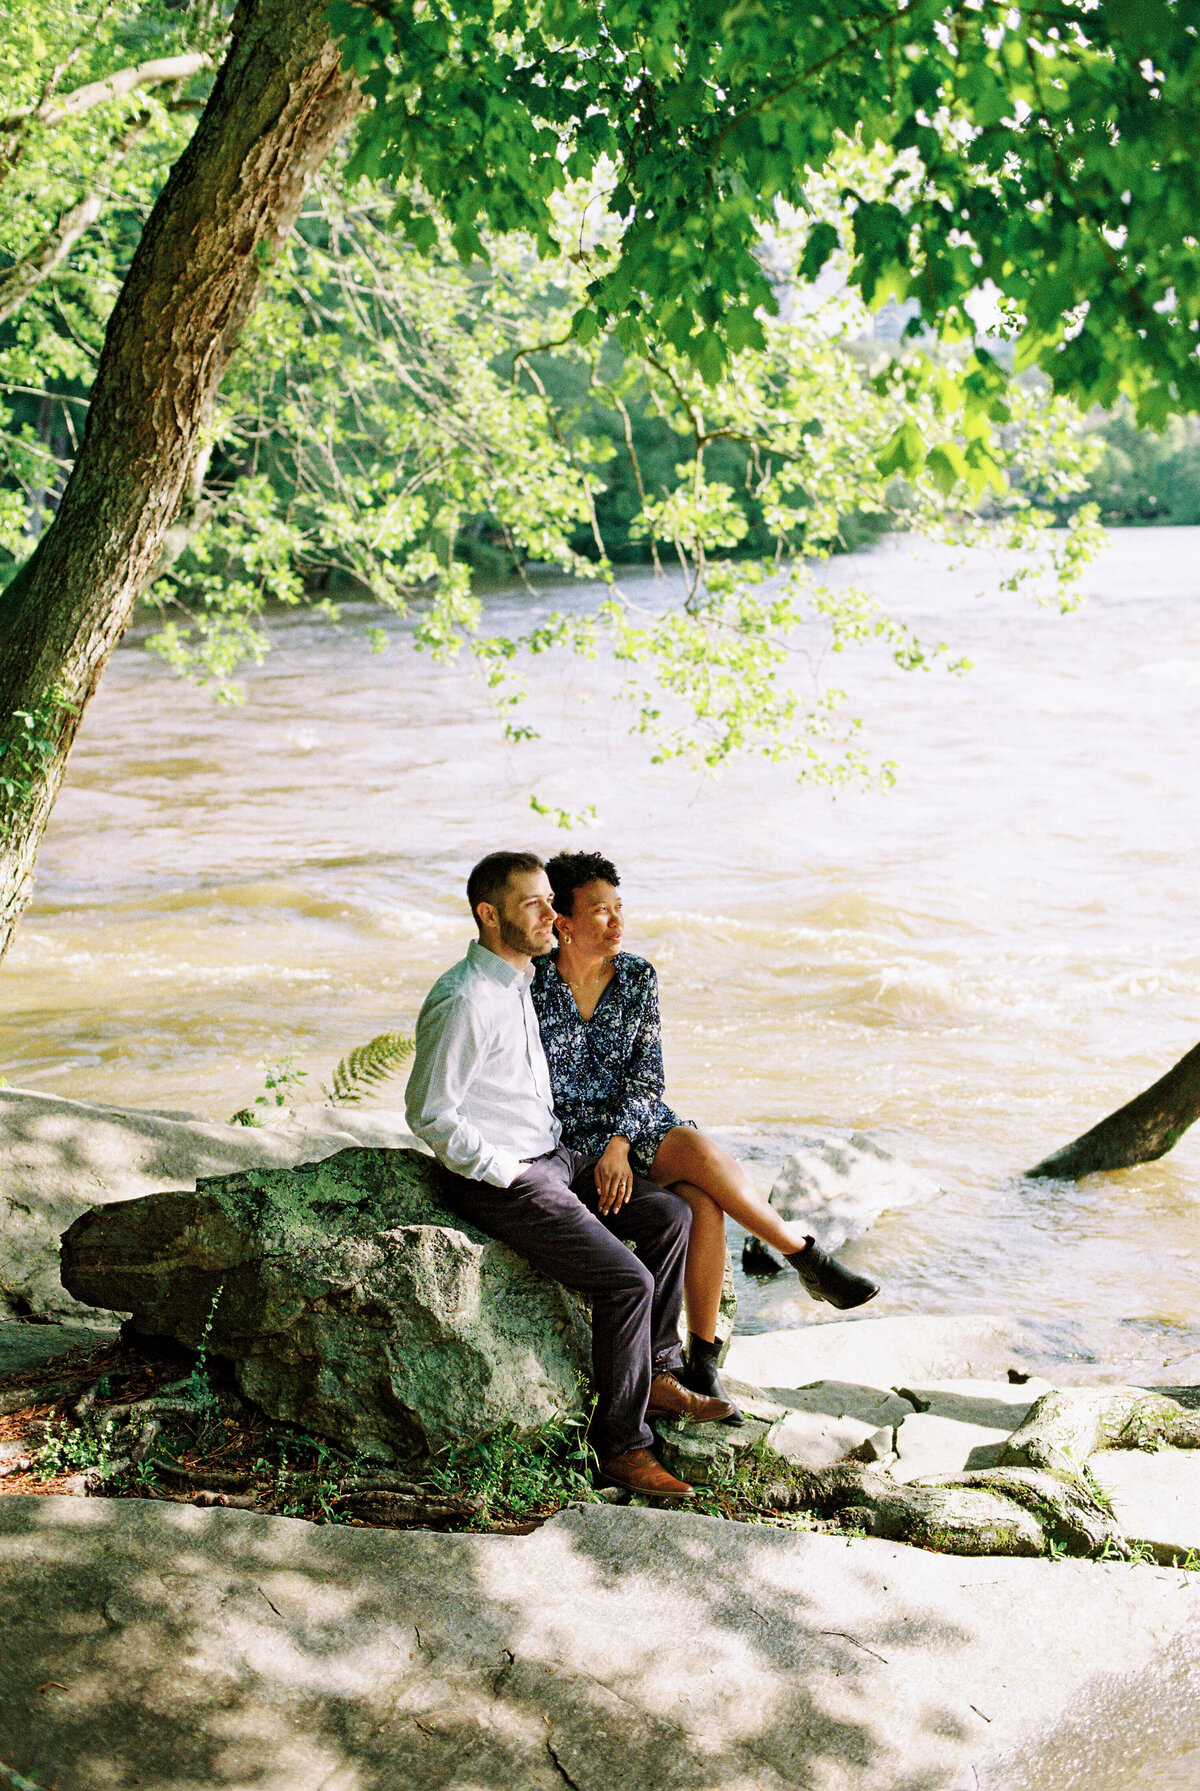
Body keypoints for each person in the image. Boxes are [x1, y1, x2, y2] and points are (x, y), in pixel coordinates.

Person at [405, 849, 735, 1501]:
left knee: (672, 1215)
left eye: (551, 902)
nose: (550, 915)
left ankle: (661, 1374)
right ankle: (622, 1446)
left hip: (555, 1156)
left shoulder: (522, 977)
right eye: (533, 903)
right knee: (626, 1282)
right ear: (487, 913)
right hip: (507, 1178)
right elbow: (428, 1109)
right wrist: (502, 1170)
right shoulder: (465, 998)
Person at [531, 851, 880, 1422]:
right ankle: (797, 1261)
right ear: (563, 922)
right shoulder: (533, 985)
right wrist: (599, 1148)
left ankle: (703, 1357)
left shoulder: (637, 977)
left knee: (696, 1173)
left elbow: (648, 1076)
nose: (618, 923)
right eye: (601, 912)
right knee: (697, 1198)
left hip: (631, 1127)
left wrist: (621, 1141)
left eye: (621, 909)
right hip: (566, 1142)